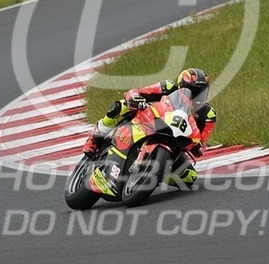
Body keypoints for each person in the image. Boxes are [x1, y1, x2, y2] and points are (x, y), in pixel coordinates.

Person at [82, 68, 217, 187]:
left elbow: (202, 141)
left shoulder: (208, 114)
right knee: (121, 106)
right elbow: (139, 92)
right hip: (148, 120)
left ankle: (155, 173)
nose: (196, 96)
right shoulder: (168, 87)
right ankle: (96, 137)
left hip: (175, 141)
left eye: (201, 92)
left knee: (189, 177)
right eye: (193, 91)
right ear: (181, 85)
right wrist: (136, 99)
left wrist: (198, 147)